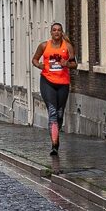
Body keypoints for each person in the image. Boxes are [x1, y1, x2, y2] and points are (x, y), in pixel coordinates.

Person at [31, 23, 75, 156]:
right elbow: (34, 59)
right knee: (52, 112)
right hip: (47, 82)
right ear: (51, 32)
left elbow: (75, 64)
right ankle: (54, 145)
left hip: (63, 83)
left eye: (59, 30)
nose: (56, 32)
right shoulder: (44, 46)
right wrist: (39, 65)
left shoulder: (67, 46)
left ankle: (56, 136)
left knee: (60, 113)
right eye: (54, 30)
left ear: (62, 32)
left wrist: (66, 64)